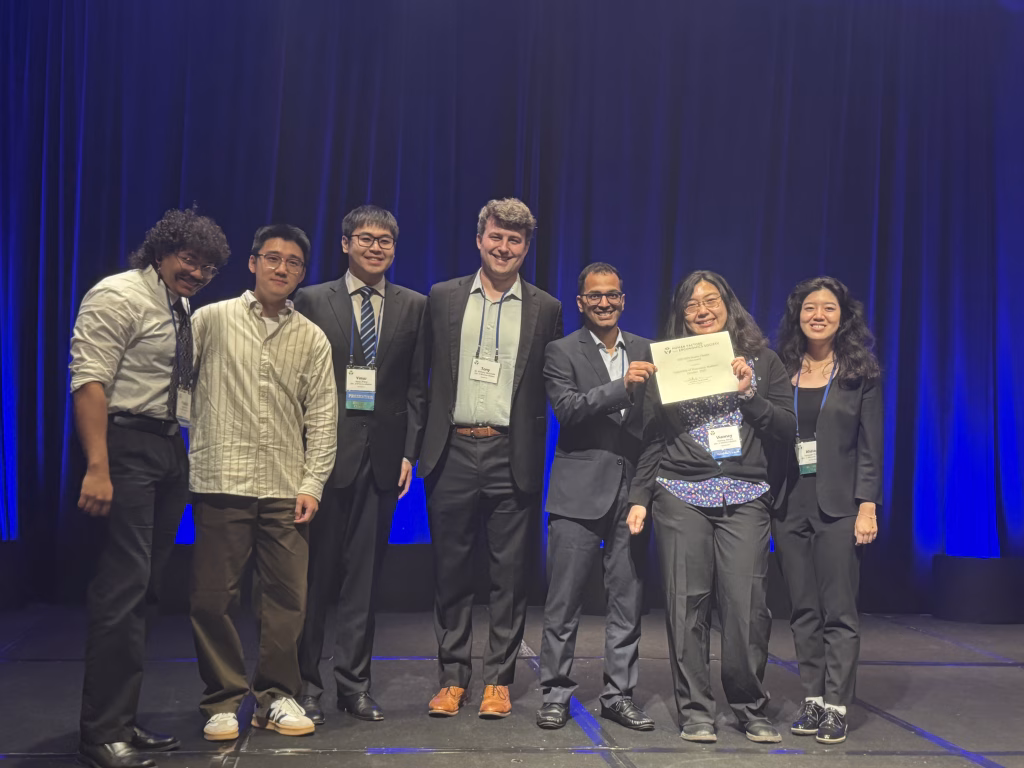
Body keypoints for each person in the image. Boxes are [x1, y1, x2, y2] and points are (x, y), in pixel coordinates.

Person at [70, 208, 229, 768]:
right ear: (161, 251)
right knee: (122, 590)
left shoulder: (179, 306)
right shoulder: (118, 295)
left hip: (167, 446)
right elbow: (89, 380)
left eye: (208, 268)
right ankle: (100, 734)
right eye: (189, 260)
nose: (197, 273)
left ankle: (123, 720)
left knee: (147, 591)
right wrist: (98, 465)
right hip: (125, 445)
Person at [409, 198, 562, 718]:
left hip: (510, 452)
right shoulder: (443, 296)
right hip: (451, 449)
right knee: (451, 571)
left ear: (526, 248)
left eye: (514, 240)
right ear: (479, 240)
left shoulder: (546, 308)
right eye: (496, 237)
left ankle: (498, 680)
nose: (503, 247)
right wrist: (412, 449)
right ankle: (453, 678)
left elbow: (553, 383)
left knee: (509, 576)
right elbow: (420, 379)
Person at [629, 270, 795, 744]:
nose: (702, 310)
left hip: (744, 495)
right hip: (681, 492)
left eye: (711, 300)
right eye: (692, 304)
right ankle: (696, 710)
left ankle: (749, 705)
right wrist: (640, 496)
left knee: (747, 608)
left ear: (728, 304)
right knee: (686, 605)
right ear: (681, 314)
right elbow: (653, 436)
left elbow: (786, 428)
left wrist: (748, 394)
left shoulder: (763, 361)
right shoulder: (668, 362)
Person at [188, 224, 338, 742]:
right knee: (212, 598)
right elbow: (178, 386)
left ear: (302, 273)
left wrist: (312, 483)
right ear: (253, 263)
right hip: (221, 479)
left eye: (293, 262)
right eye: (272, 258)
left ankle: (275, 696)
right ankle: (222, 700)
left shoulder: (311, 336)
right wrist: (196, 444)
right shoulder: (211, 319)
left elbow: (323, 417)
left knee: (287, 600)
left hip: (284, 486)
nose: (282, 268)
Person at [293, 205, 427, 724]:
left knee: (364, 584)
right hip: (322, 458)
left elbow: (416, 388)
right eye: (366, 238)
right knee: (313, 580)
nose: (376, 247)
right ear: (346, 243)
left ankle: (354, 685)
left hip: (382, 461)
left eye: (385, 240)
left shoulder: (413, 306)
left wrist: (409, 452)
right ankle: (305, 685)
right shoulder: (311, 299)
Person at [536, 263, 656, 732]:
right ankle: (554, 694)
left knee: (627, 601)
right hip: (577, 493)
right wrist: (621, 387)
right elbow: (568, 409)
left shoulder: (647, 349)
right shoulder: (561, 350)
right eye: (595, 296)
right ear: (581, 302)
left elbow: (657, 425)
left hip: (633, 495)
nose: (604, 302)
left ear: (623, 299)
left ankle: (618, 695)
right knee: (563, 602)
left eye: (612, 295)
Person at [773, 276, 883, 745]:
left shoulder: (860, 374)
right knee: (802, 609)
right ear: (797, 315)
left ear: (843, 317)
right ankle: (813, 698)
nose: (818, 315)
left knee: (839, 610)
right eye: (810, 308)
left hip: (839, 507)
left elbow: (871, 447)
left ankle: (837, 705)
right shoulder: (781, 369)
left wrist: (867, 506)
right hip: (788, 504)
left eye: (829, 308)